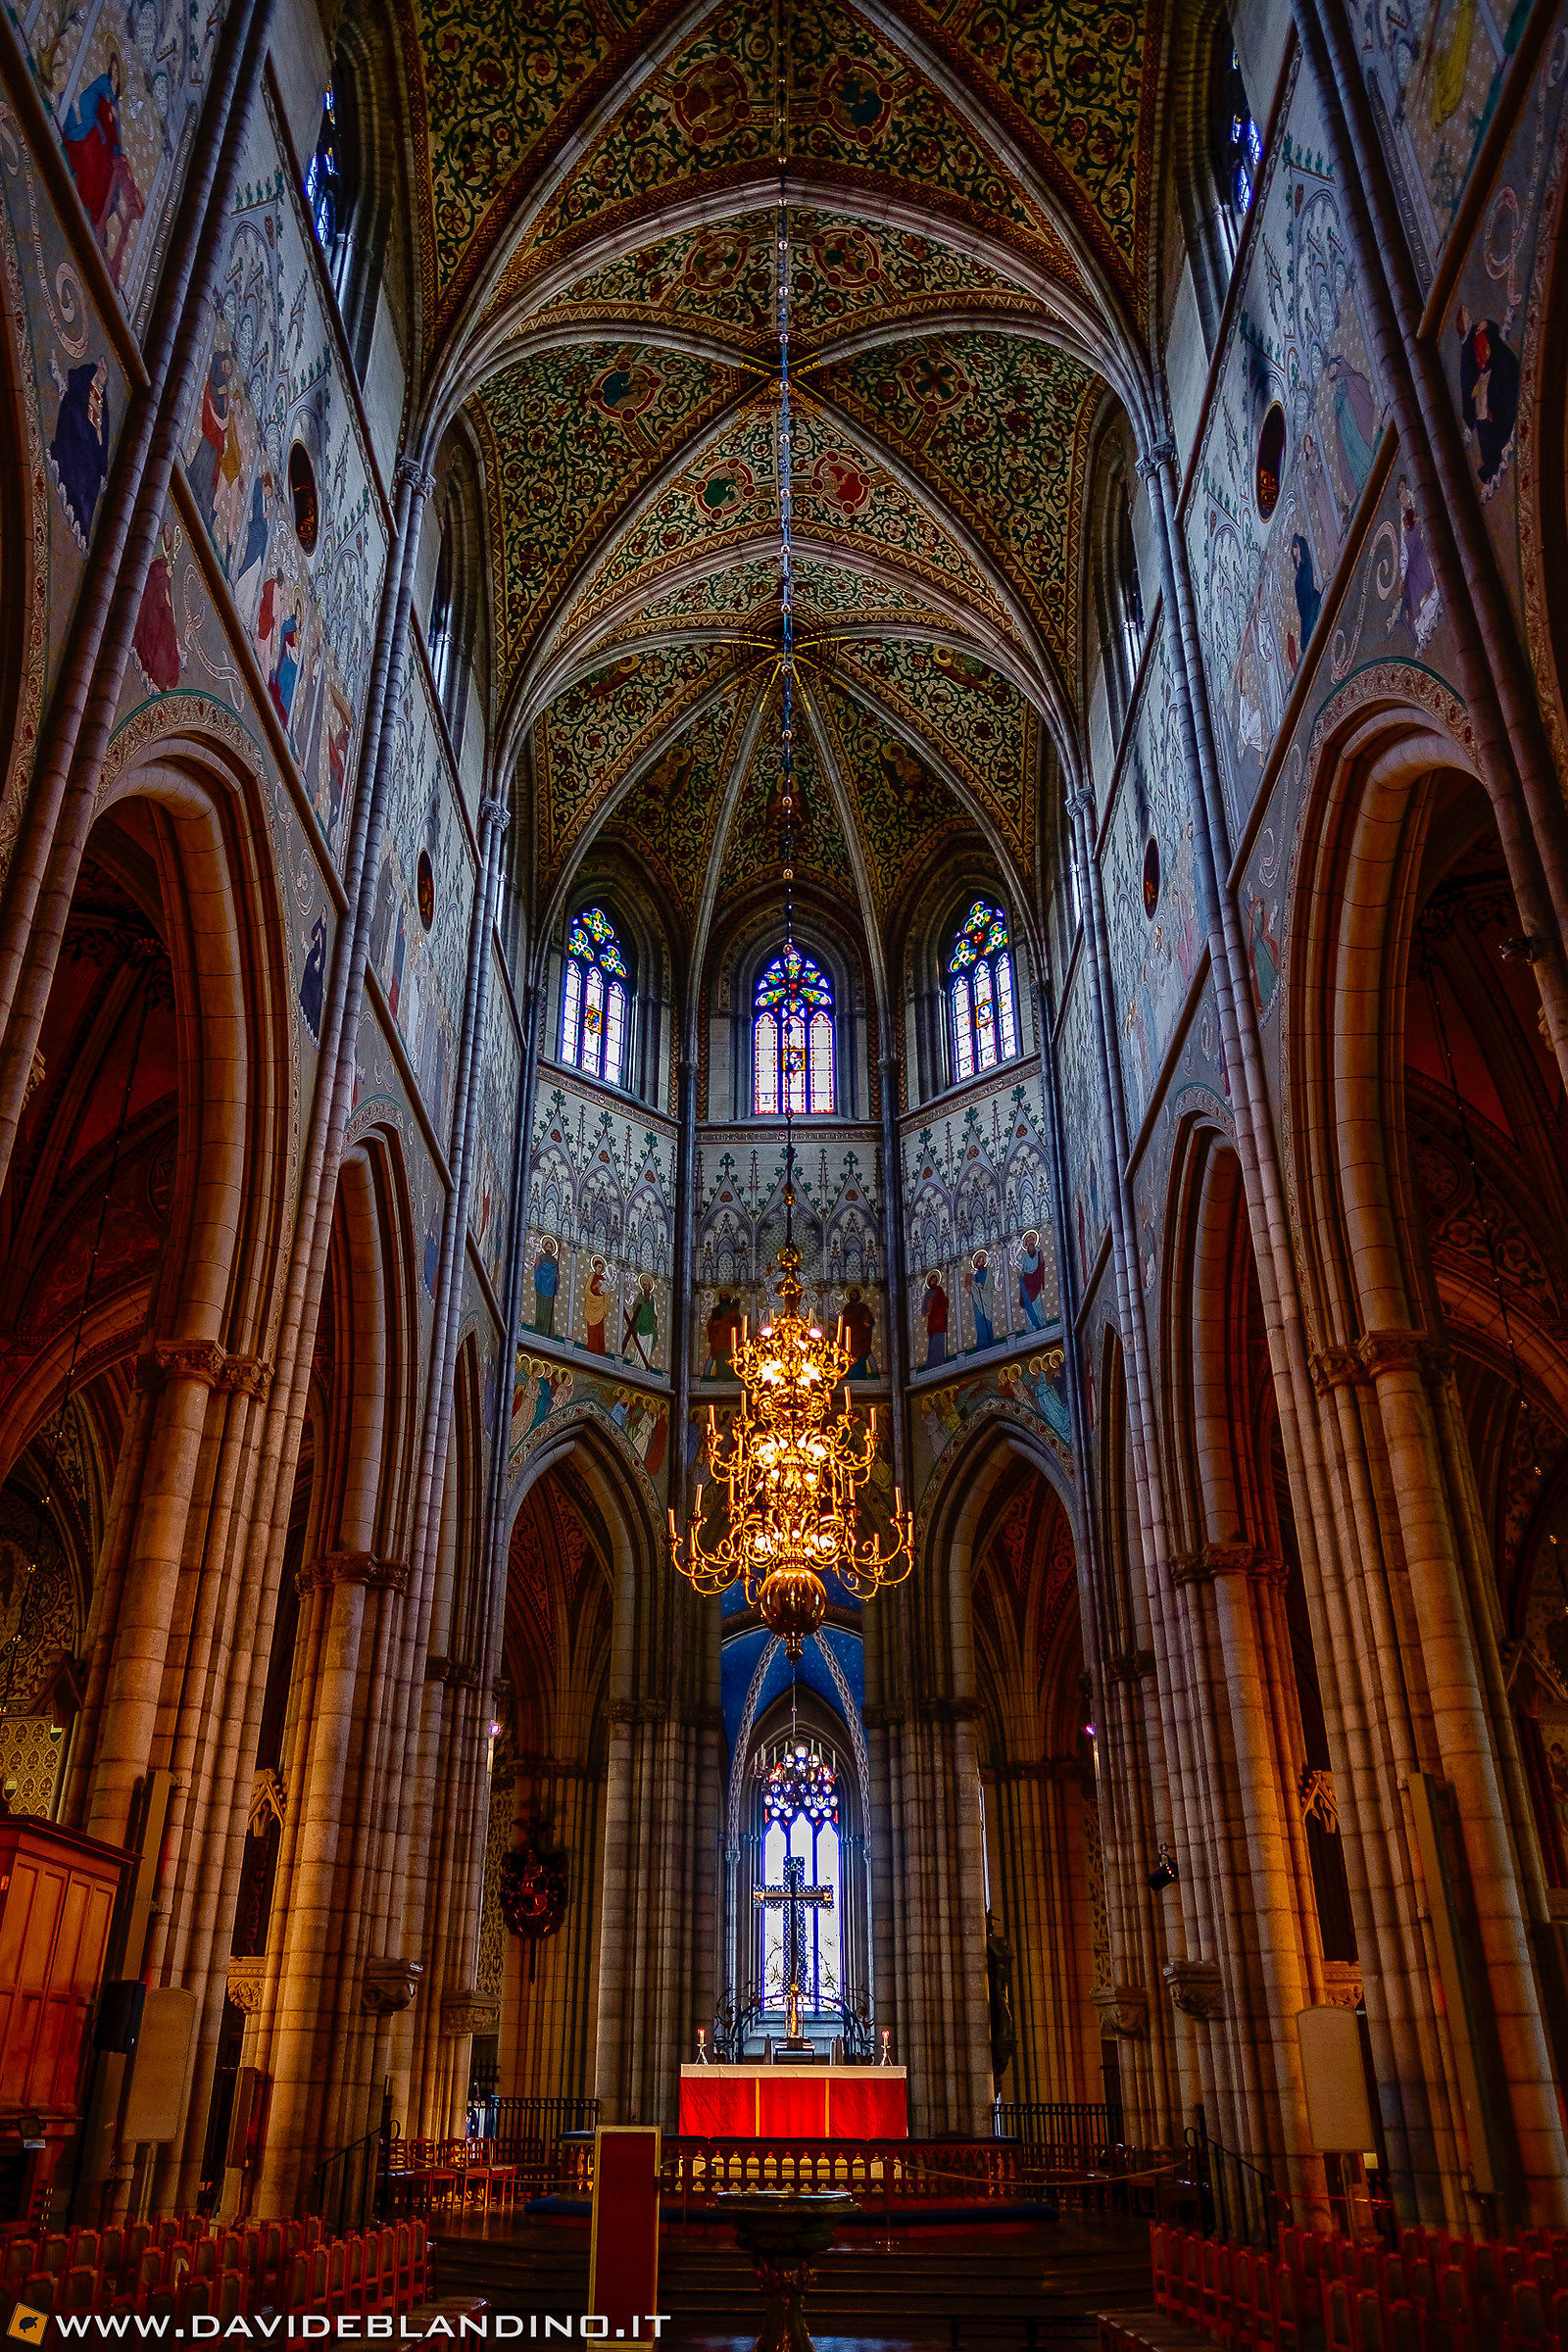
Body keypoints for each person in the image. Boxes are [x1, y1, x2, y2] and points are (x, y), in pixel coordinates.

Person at [840, 1285, 876, 1377]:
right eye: (851, 1295)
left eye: (854, 1295)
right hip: (850, 1338)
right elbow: (844, 1322)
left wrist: (866, 1323)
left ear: (858, 1296)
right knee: (850, 1355)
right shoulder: (847, 1308)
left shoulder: (863, 1308)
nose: (852, 1296)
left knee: (860, 1357)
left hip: (862, 1338)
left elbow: (870, 1322)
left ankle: (860, 1376)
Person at [1017, 1230, 1048, 1330]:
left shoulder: (1039, 1252)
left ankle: (1041, 1322)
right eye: (1028, 1241)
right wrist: (1021, 1275)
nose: (1030, 1242)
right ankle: (1031, 1326)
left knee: (1037, 1302)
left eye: (1031, 1240)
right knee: (1028, 1303)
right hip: (1027, 1281)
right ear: (1026, 1244)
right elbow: (1023, 1268)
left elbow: (1041, 1264)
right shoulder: (1025, 1256)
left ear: (1034, 1242)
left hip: (1036, 1280)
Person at [583, 1255, 612, 1354]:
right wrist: (595, 1287)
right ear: (595, 1267)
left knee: (599, 1328)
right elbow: (587, 1290)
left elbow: (606, 1294)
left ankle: (599, 1349)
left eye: (601, 1267)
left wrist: (604, 1292)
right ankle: (591, 1346)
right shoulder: (592, 1276)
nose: (600, 1269)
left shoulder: (603, 1278)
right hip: (592, 1304)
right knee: (591, 1327)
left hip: (600, 1305)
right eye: (599, 1267)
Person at [532, 1237, 560, 1337]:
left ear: (553, 1249)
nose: (549, 1249)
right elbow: (537, 1270)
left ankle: (548, 1331)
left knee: (549, 1311)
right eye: (547, 1247)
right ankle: (539, 1329)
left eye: (550, 1248)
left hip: (549, 1290)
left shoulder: (554, 1261)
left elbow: (557, 1275)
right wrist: (537, 1265)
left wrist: (556, 1280)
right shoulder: (541, 1258)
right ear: (544, 1247)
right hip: (542, 1288)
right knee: (540, 1308)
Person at [923, 1268, 949, 1369]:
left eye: (935, 1280)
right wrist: (927, 1312)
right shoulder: (928, 1293)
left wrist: (946, 1302)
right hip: (933, 1320)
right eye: (932, 1280)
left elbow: (944, 1302)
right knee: (933, 1341)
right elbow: (924, 1308)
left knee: (940, 1340)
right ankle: (932, 1362)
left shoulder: (940, 1290)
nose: (934, 1282)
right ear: (929, 1282)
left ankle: (940, 1359)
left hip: (940, 1319)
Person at [968, 1250, 994, 1350]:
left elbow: (990, 1284)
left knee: (988, 1321)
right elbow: (971, 1287)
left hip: (987, 1298)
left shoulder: (988, 1272)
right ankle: (982, 1344)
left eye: (983, 1261)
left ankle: (990, 1341)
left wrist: (983, 1288)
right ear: (976, 1263)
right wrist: (975, 1286)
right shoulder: (974, 1276)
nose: (981, 1263)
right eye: (979, 1261)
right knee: (980, 1322)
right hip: (978, 1302)